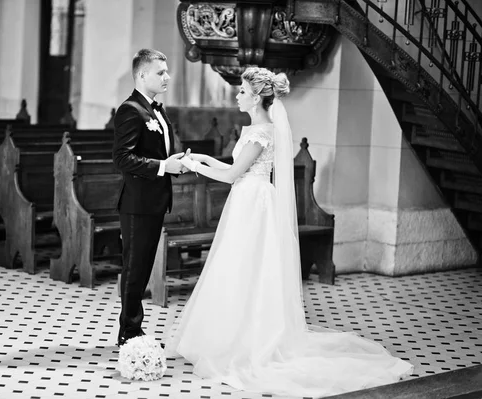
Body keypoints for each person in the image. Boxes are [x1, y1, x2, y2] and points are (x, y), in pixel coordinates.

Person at [169, 67, 413, 398]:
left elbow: (231, 176)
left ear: (255, 97)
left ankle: (248, 338)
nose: (237, 95)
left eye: (241, 91)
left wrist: (194, 166)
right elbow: (233, 167)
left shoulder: (261, 133)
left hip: (252, 203)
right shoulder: (255, 129)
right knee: (237, 267)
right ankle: (229, 332)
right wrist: (201, 157)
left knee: (248, 268)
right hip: (247, 197)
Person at [112, 49, 186, 347]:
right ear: (142, 75)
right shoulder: (130, 110)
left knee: (142, 267)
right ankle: (129, 331)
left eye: (166, 71)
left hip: (155, 201)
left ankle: (133, 329)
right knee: (135, 268)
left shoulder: (157, 109)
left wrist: (177, 162)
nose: (167, 76)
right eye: (160, 72)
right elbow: (122, 158)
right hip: (137, 203)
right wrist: (162, 167)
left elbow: (159, 152)